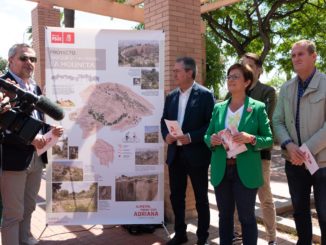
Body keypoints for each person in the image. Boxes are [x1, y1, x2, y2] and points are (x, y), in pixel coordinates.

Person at [0, 43, 63, 245]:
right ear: (10, 60)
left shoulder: (33, 86)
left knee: (29, 207)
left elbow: (36, 116)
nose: (30, 63)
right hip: (12, 159)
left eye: (33, 59)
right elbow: (5, 126)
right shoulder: (2, 87)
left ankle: (25, 239)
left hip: (37, 156)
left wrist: (48, 130)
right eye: (24, 58)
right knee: (13, 212)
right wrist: (29, 136)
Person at [204, 63, 273, 244]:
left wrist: (251, 138)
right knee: (224, 217)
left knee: (247, 218)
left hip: (246, 170)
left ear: (247, 82)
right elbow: (207, 134)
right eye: (228, 76)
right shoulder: (219, 108)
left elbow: (268, 139)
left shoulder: (257, 108)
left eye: (235, 76)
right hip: (222, 169)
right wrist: (211, 140)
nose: (230, 80)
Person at [273, 39, 326, 244]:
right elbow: (277, 120)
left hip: (321, 163)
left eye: (300, 54)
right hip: (293, 161)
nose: (296, 58)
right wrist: (289, 144)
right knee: (300, 211)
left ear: (314, 56)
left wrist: (306, 149)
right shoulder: (286, 88)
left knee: (324, 214)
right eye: (293, 55)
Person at [161, 56, 214, 245]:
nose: (174, 73)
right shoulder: (171, 96)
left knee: (201, 198)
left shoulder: (205, 95)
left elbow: (211, 124)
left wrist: (191, 137)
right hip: (176, 154)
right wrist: (166, 135)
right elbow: (164, 120)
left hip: (197, 154)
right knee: (176, 196)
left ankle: (202, 238)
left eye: (177, 71)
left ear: (189, 72)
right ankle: (180, 234)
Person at [230, 53, 277, 245]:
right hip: (235, 154)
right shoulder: (233, 91)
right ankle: (237, 234)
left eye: (249, 66)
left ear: (259, 69)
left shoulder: (267, 92)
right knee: (235, 199)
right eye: (242, 66)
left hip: (259, 155)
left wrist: (247, 135)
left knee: (265, 198)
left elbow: (266, 125)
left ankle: (272, 237)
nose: (245, 69)